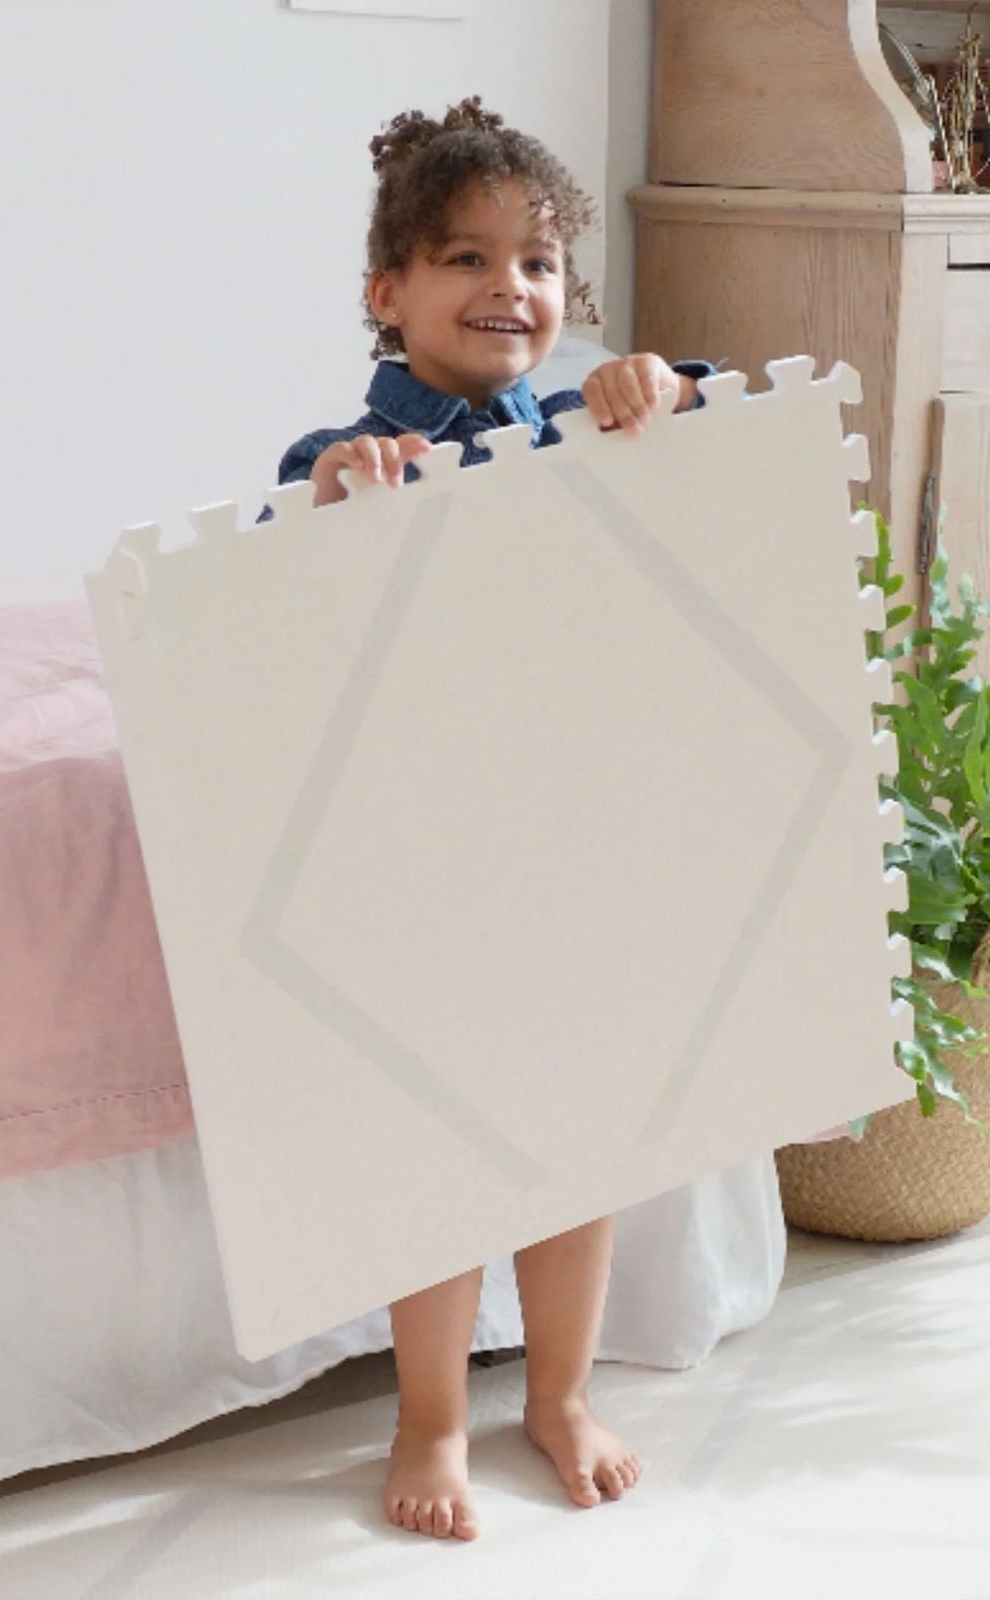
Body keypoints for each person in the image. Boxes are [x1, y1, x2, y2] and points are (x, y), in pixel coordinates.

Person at [273, 96, 717, 1544]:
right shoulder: (348, 453)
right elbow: (279, 562)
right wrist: (336, 498)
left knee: (575, 1138)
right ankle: (432, 1412)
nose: (505, 289)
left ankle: (561, 1392)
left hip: (573, 848)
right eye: (464, 258)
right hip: (423, 862)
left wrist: (665, 382)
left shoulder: (592, 426)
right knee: (443, 1149)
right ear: (386, 292)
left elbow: (724, 420)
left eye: (534, 264)